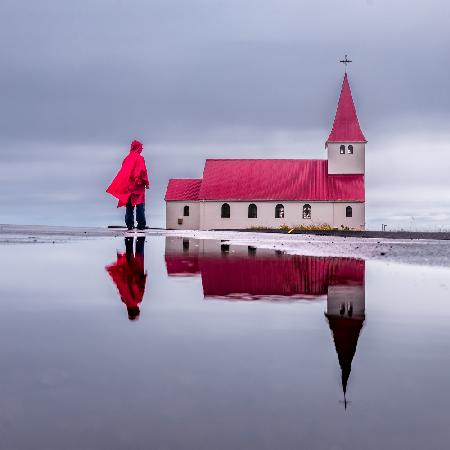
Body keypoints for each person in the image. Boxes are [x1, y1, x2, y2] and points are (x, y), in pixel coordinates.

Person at [106, 140, 149, 230]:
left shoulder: (127, 158)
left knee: (129, 206)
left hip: (128, 186)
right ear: (138, 147)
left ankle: (130, 224)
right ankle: (141, 224)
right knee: (140, 205)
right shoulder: (140, 158)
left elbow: (124, 172)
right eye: (141, 147)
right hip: (138, 185)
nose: (142, 149)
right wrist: (146, 182)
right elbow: (142, 171)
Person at [105, 236, 147, 321]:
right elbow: (120, 286)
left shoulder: (137, 300)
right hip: (126, 271)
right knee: (129, 250)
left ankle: (141, 229)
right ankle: (130, 233)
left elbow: (140, 287)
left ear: (137, 310)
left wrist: (144, 277)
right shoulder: (124, 300)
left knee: (139, 249)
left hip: (136, 272)